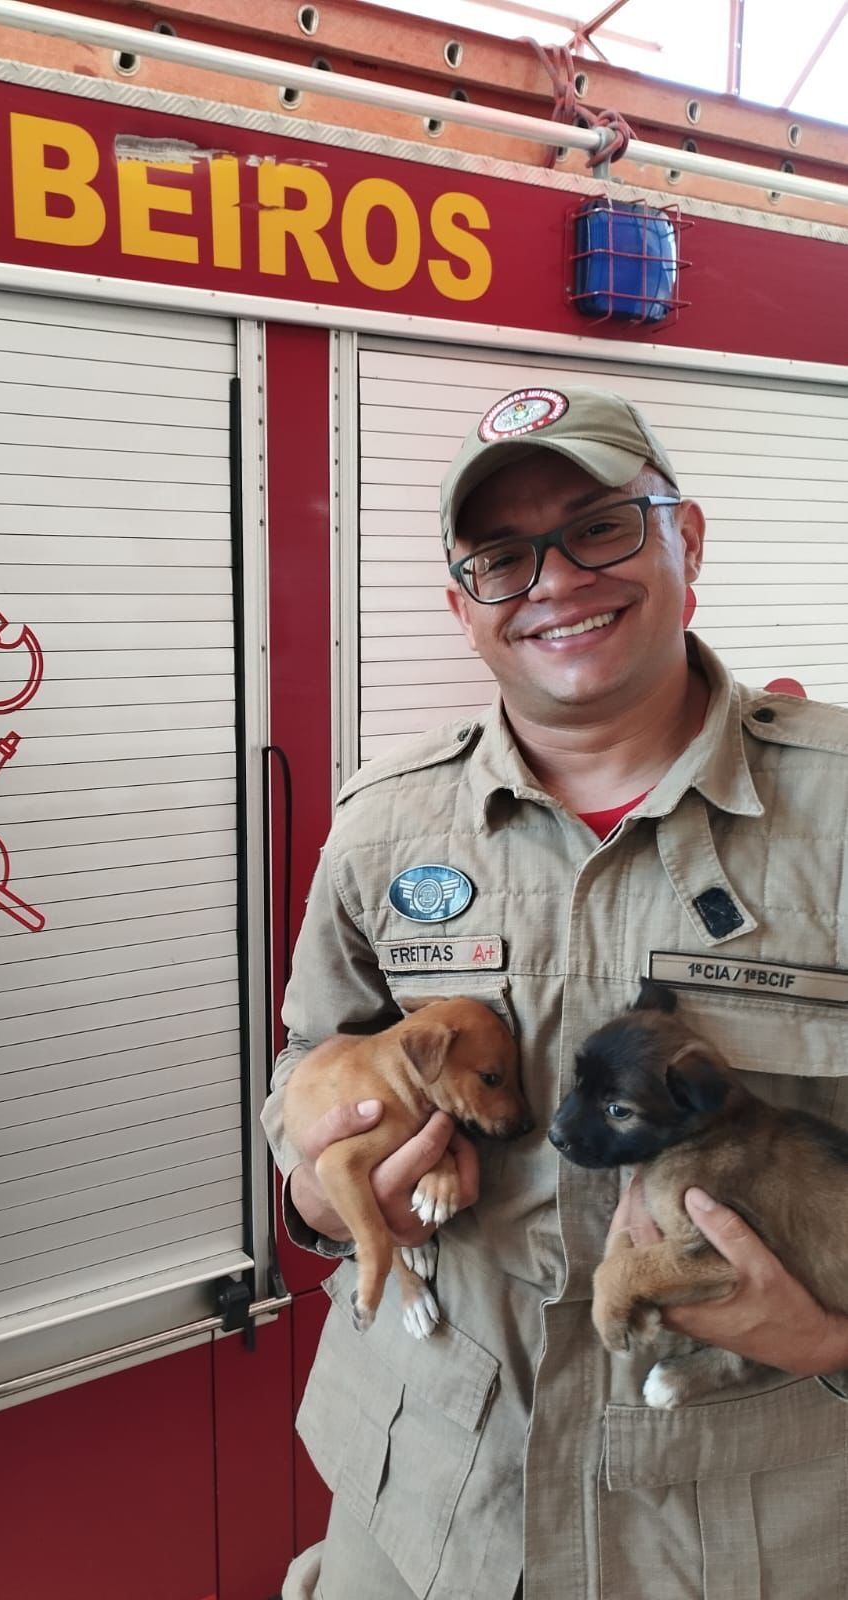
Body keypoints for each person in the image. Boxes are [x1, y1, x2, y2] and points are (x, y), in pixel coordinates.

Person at [263, 384, 848, 1600]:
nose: (555, 582)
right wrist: (324, 1189)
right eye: (501, 556)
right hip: (427, 1507)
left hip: (757, 1526)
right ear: (462, 604)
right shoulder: (383, 826)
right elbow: (304, 1071)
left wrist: (834, 1338)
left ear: (686, 539)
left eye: (599, 527)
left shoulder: (836, 813)